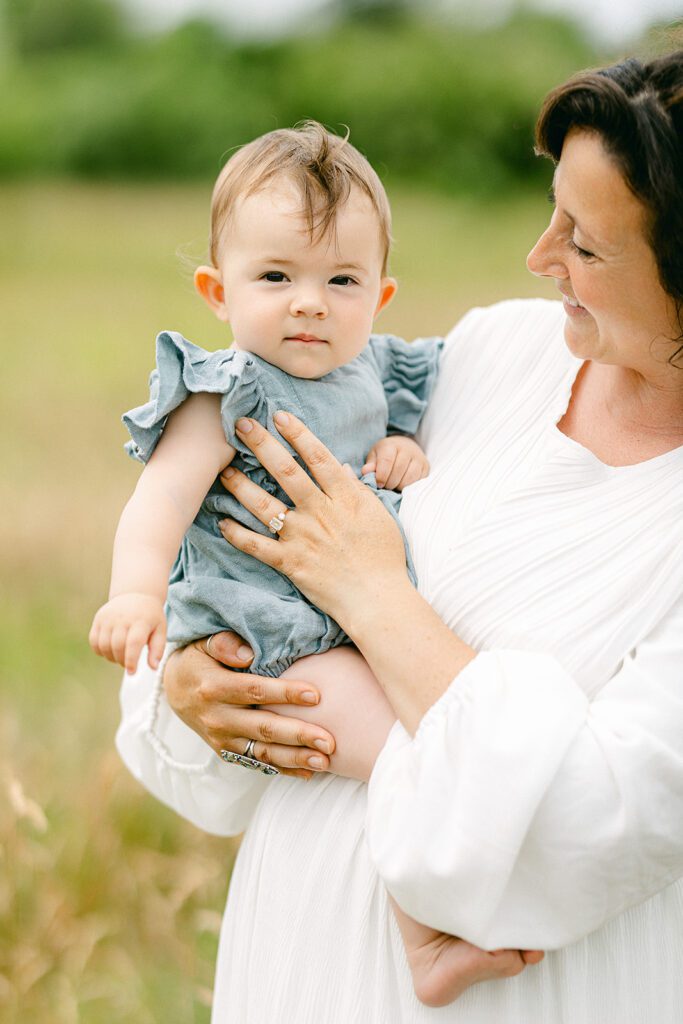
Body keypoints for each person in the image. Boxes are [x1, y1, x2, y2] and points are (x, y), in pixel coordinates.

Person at [116, 51, 683, 1023]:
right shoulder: (496, 354)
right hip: (293, 980)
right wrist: (188, 684)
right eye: (551, 213)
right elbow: (224, 550)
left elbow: (578, 829)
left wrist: (371, 593)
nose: (538, 258)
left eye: (584, 245)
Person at [90, 121, 513, 1005]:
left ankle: (440, 916)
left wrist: (399, 446)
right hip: (274, 638)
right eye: (276, 277)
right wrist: (135, 592)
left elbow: (384, 450)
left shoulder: (380, 377)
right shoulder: (224, 390)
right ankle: (428, 935)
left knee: (417, 736)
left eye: (341, 280)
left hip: (352, 621)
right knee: (404, 750)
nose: (310, 302)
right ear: (218, 289)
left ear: (381, 294)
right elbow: (160, 500)